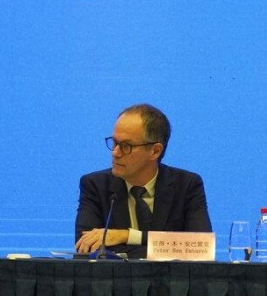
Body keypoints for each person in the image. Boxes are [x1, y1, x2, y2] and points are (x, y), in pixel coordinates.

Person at [74, 103, 212, 259]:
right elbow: (85, 250)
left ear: (155, 151)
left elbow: (201, 248)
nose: (115, 153)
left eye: (126, 146)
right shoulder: (95, 185)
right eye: (114, 142)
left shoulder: (187, 185)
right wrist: (168, 248)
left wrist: (126, 236)